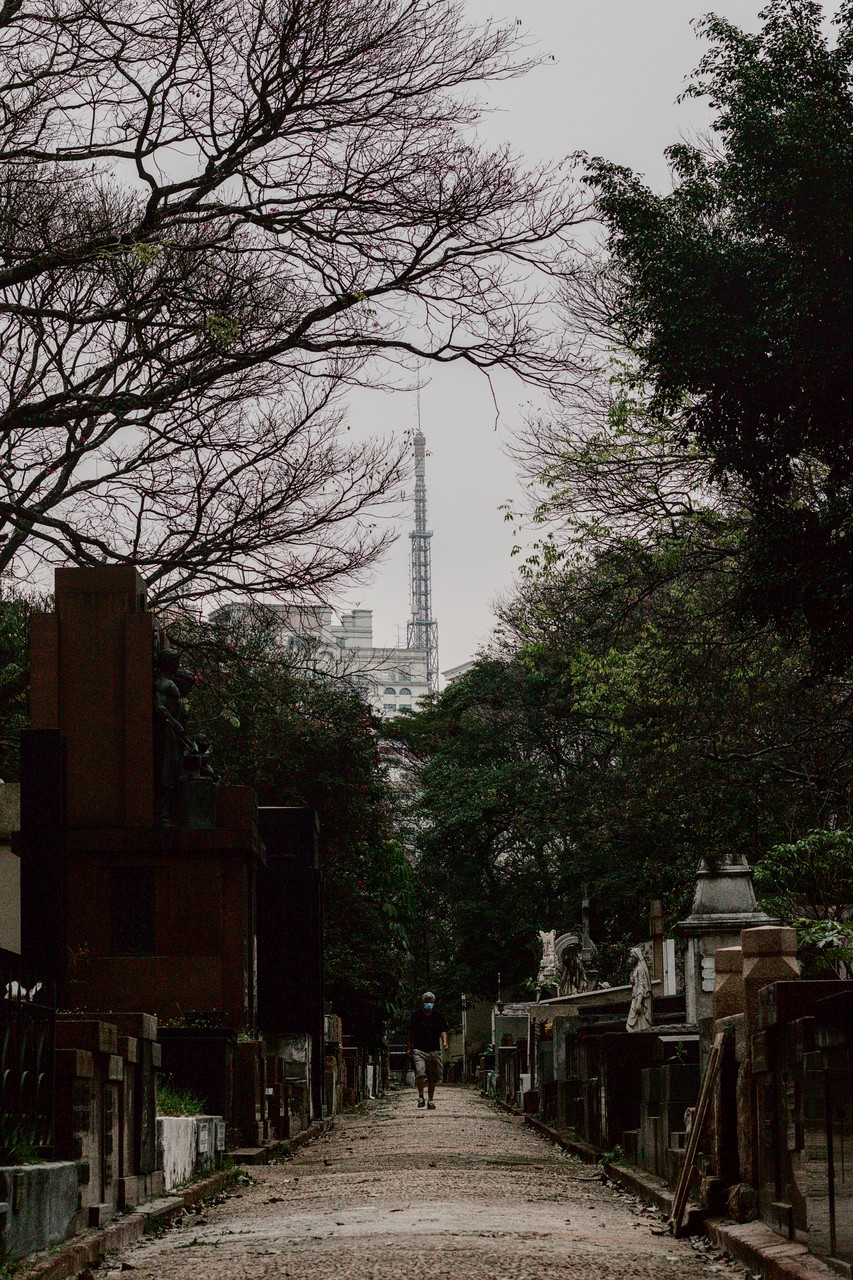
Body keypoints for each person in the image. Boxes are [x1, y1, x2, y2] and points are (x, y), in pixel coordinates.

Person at [407, 990, 448, 1110]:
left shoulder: (437, 1016)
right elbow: (410, 1033)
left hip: (434, 1049)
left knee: (432, 1076)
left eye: (431, 1002)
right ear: (423, 1002)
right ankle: (421, 1096)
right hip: (419, 1049)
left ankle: (430, 1099)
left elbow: (443, 1031)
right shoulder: (416, 1016)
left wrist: (445, 1042)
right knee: (420, 1073)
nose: (429, 1004)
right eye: (427, 1001)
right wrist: (410, 1047)